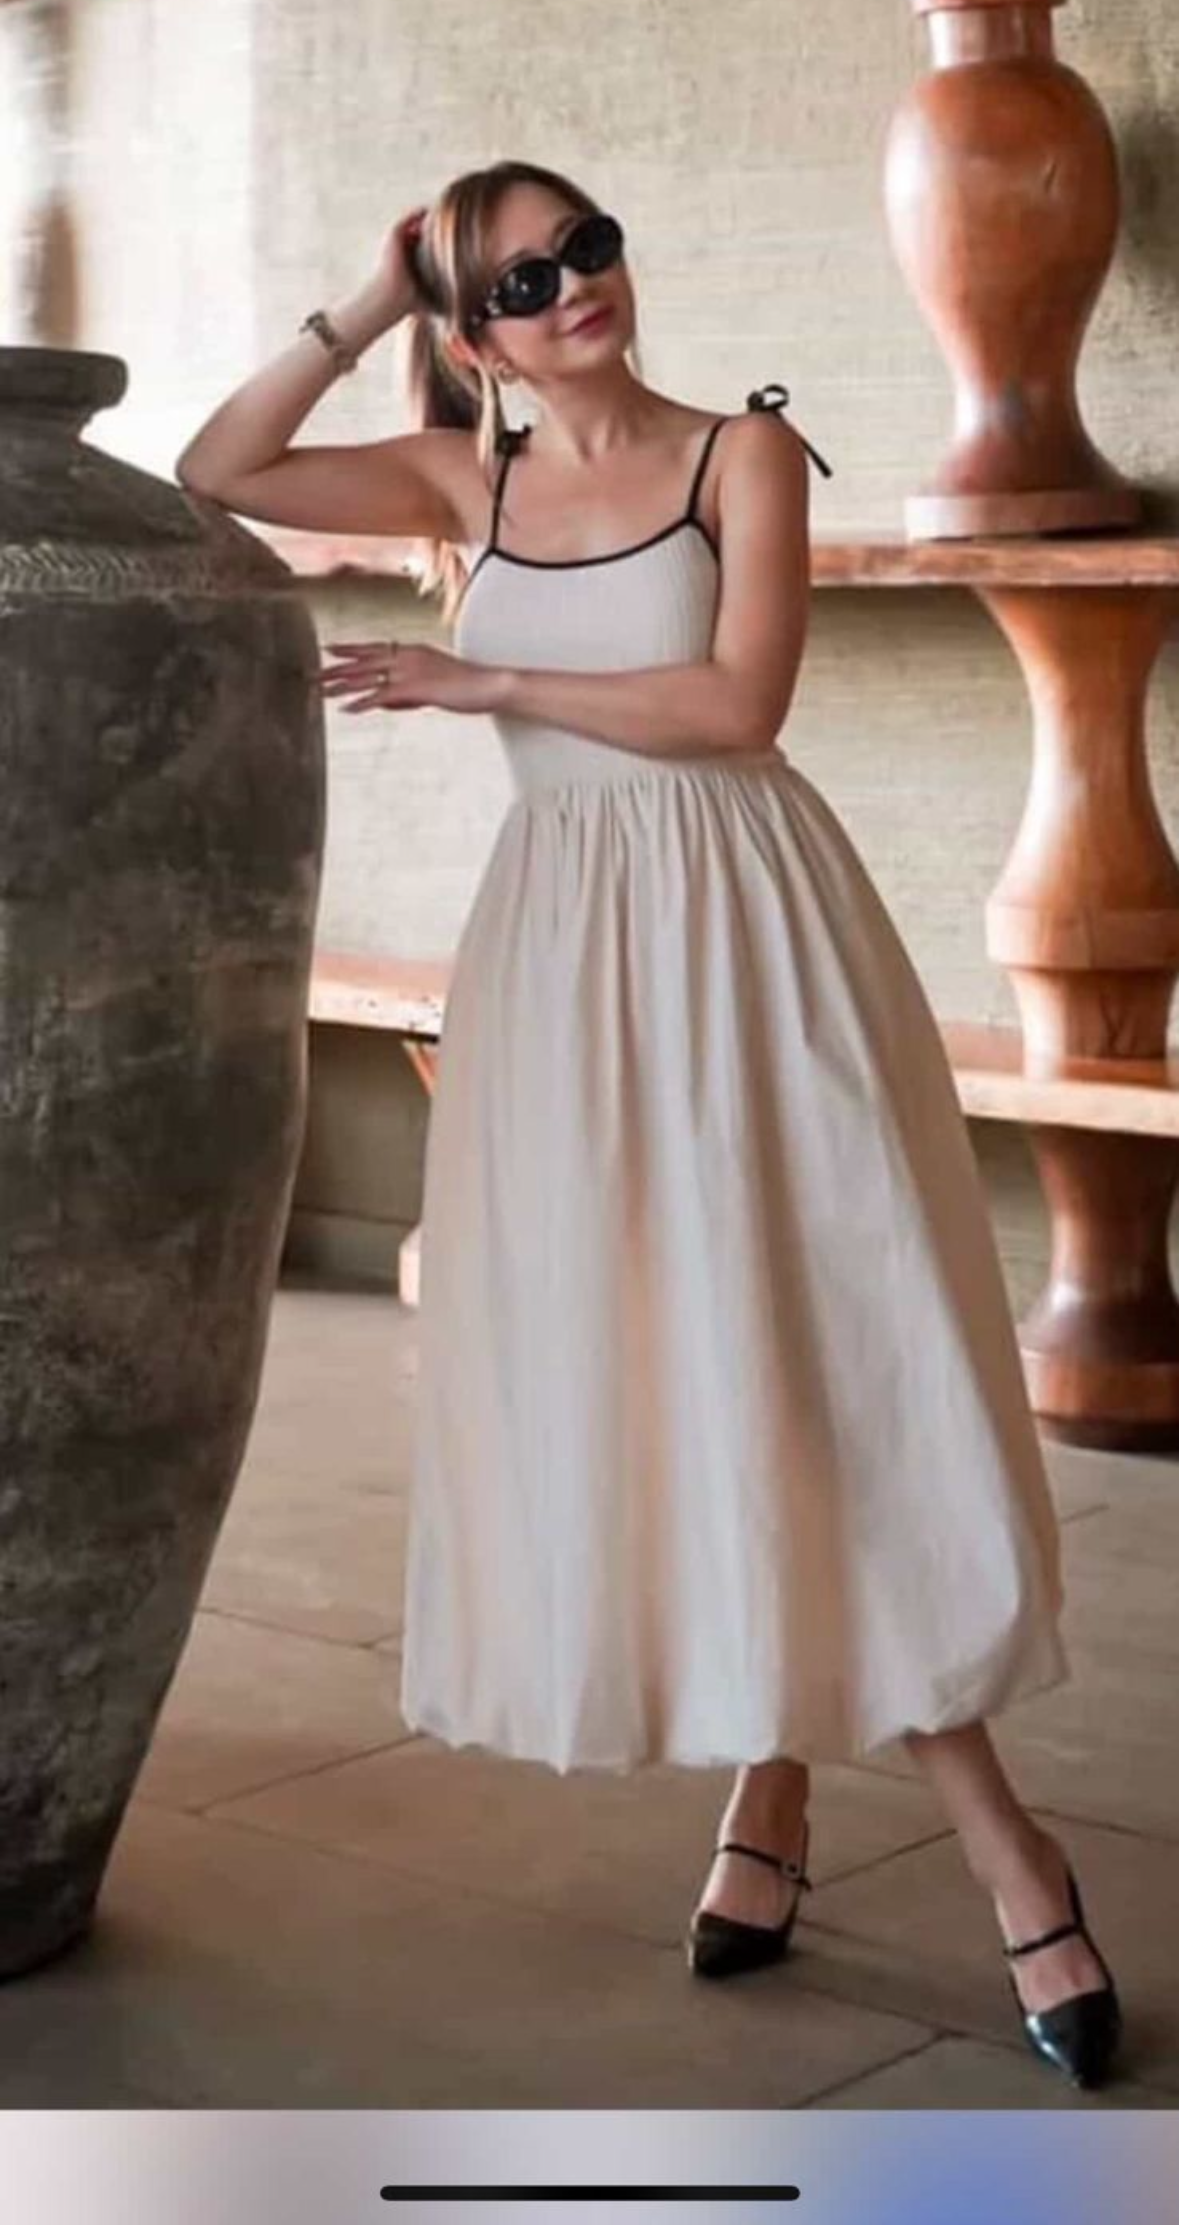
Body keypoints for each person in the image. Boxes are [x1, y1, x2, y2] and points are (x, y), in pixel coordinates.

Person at [175, 157, 1123, 2092]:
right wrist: (370, 300)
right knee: (691, 1368)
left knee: (816, 1354)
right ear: (475, 336)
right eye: (519, 281)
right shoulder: (464, 481)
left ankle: (1009, 1852)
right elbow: (220, 468)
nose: (571, 288)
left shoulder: (736, 459)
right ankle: (770, 1787)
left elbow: (735, 709)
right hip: (569, 960)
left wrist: (482, 672)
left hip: (749, 933)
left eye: (585, 247)